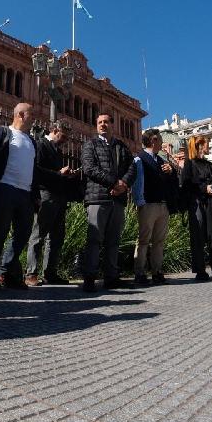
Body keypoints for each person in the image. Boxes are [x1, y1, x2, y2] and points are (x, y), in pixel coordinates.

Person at [0, 103, 39, 292]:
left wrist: (34, 194)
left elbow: (34, 170)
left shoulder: (32, 141)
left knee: (23, 233)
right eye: (31, 114)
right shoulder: (3, 133)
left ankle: (6, 271)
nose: (34, 117)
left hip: (25, 193)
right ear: (21, 115)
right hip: (5, 188)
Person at [10, 119, 77, 287]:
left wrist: (65, 175)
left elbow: (56, 174)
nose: (66, 139)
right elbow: (37, 170)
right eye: (64, 135)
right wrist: (58, 173)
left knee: (57, 237)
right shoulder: (41, 145)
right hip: (46, 194)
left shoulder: (58, 151)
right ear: (54, 130)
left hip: (59, 196)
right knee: (38, 235)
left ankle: (50, 273)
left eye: (68, 137)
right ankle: (31, 272)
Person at [80, 113, 137, 292]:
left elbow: (132, 167)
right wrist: (114, 183)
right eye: (99, 122)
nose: (102, 125)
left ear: (112, 125)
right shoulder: (90, 144)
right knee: (94, 239)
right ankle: (90, 277)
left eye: (106, 122)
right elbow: (89, 168)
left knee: (113, 240)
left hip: (117, 199)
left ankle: (111, 277)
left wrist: (124, 184)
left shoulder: (121, 146)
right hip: (97, 198)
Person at [131, 128, 178, 286]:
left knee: (159, 240)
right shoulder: (140, 159)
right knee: (143, 240)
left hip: (162, 205)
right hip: (147, 204)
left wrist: (171, 172)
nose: (162, 142)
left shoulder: (162, 161)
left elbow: (172, 183)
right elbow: (137, 183)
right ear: (153, 141)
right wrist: (139, 202)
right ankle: (139, 273)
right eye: (159, 139)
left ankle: (157, 271)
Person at [180, 135, 212, 281]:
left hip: (211, 204)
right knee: (198, 236)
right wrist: (203, 188)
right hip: (196, 204)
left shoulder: (209, 165)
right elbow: (186, 184)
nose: (209, 146)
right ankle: (200, 271)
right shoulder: (189, 164)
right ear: (199, 145)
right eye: (207, 144)